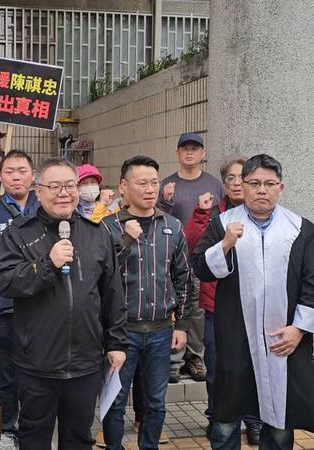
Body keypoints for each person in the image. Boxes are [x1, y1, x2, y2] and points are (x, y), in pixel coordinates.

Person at [0, 157, 127, 450]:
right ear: (38, 191)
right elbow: (4, 281)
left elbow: (112, 293)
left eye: (70, 186)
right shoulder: (19, 232)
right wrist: (46, 264)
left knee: (79, 437)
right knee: (34, 437)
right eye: (54, 187)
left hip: (85, 362)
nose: (64, 193)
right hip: (36, 363)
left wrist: (116, 343)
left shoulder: (96, 233)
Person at [192, 154, 314, 450]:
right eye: (254, 183)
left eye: (269, 183)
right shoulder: (223, 224)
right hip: (235, 333)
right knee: (227, 415)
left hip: (284, 337)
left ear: (281, 187)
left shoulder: (300, 228)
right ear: (243, 186)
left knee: (280, 417)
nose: (261, 190)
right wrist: (225, 244)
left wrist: (299, 329)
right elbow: (200, 268)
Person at [100, 155, 193, 450]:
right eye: (142, 183)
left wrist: (183, 324)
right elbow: (99, 276)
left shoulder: (172, 226)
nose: (150, 189)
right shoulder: (107, 228)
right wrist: (126, 242)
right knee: (115, 402)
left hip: (161, 331)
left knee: (156, 402)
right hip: (121, 332)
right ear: (123, 187)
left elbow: (184, 277)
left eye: (154, 182)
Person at [184, 157, 264, 443]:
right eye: (231, 178)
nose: (238, 183)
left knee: (254, 367)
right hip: (217, 306)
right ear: (224, 184)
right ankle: (217, 417)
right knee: (218, 368)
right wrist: (201, 214)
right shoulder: (214, 213)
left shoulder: (264, 215)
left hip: (255, 307)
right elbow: (193, 247)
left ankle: (254, 421)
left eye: (244, 178)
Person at [0, 149, 40, 449]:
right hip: (4, 307)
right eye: (9, 171)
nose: (16, 177)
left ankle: (34, 426)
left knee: (38, 371)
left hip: (41, 306)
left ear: (33, 175)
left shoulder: (43, 206)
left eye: (22, 171)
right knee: (6, 373)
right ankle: (8, 428)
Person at [158, 132, 223, 383]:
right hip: (173, 255)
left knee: (197, 310)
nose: (189, 152)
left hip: (202, 256)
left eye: (194, 148)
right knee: (174, 306)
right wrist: (165, 201)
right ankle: (173, 359)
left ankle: (195, 357)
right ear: (176, 153)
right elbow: (157, 217)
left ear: (203, 153)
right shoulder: (166, 184)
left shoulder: (214, 184)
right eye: (184, 148)